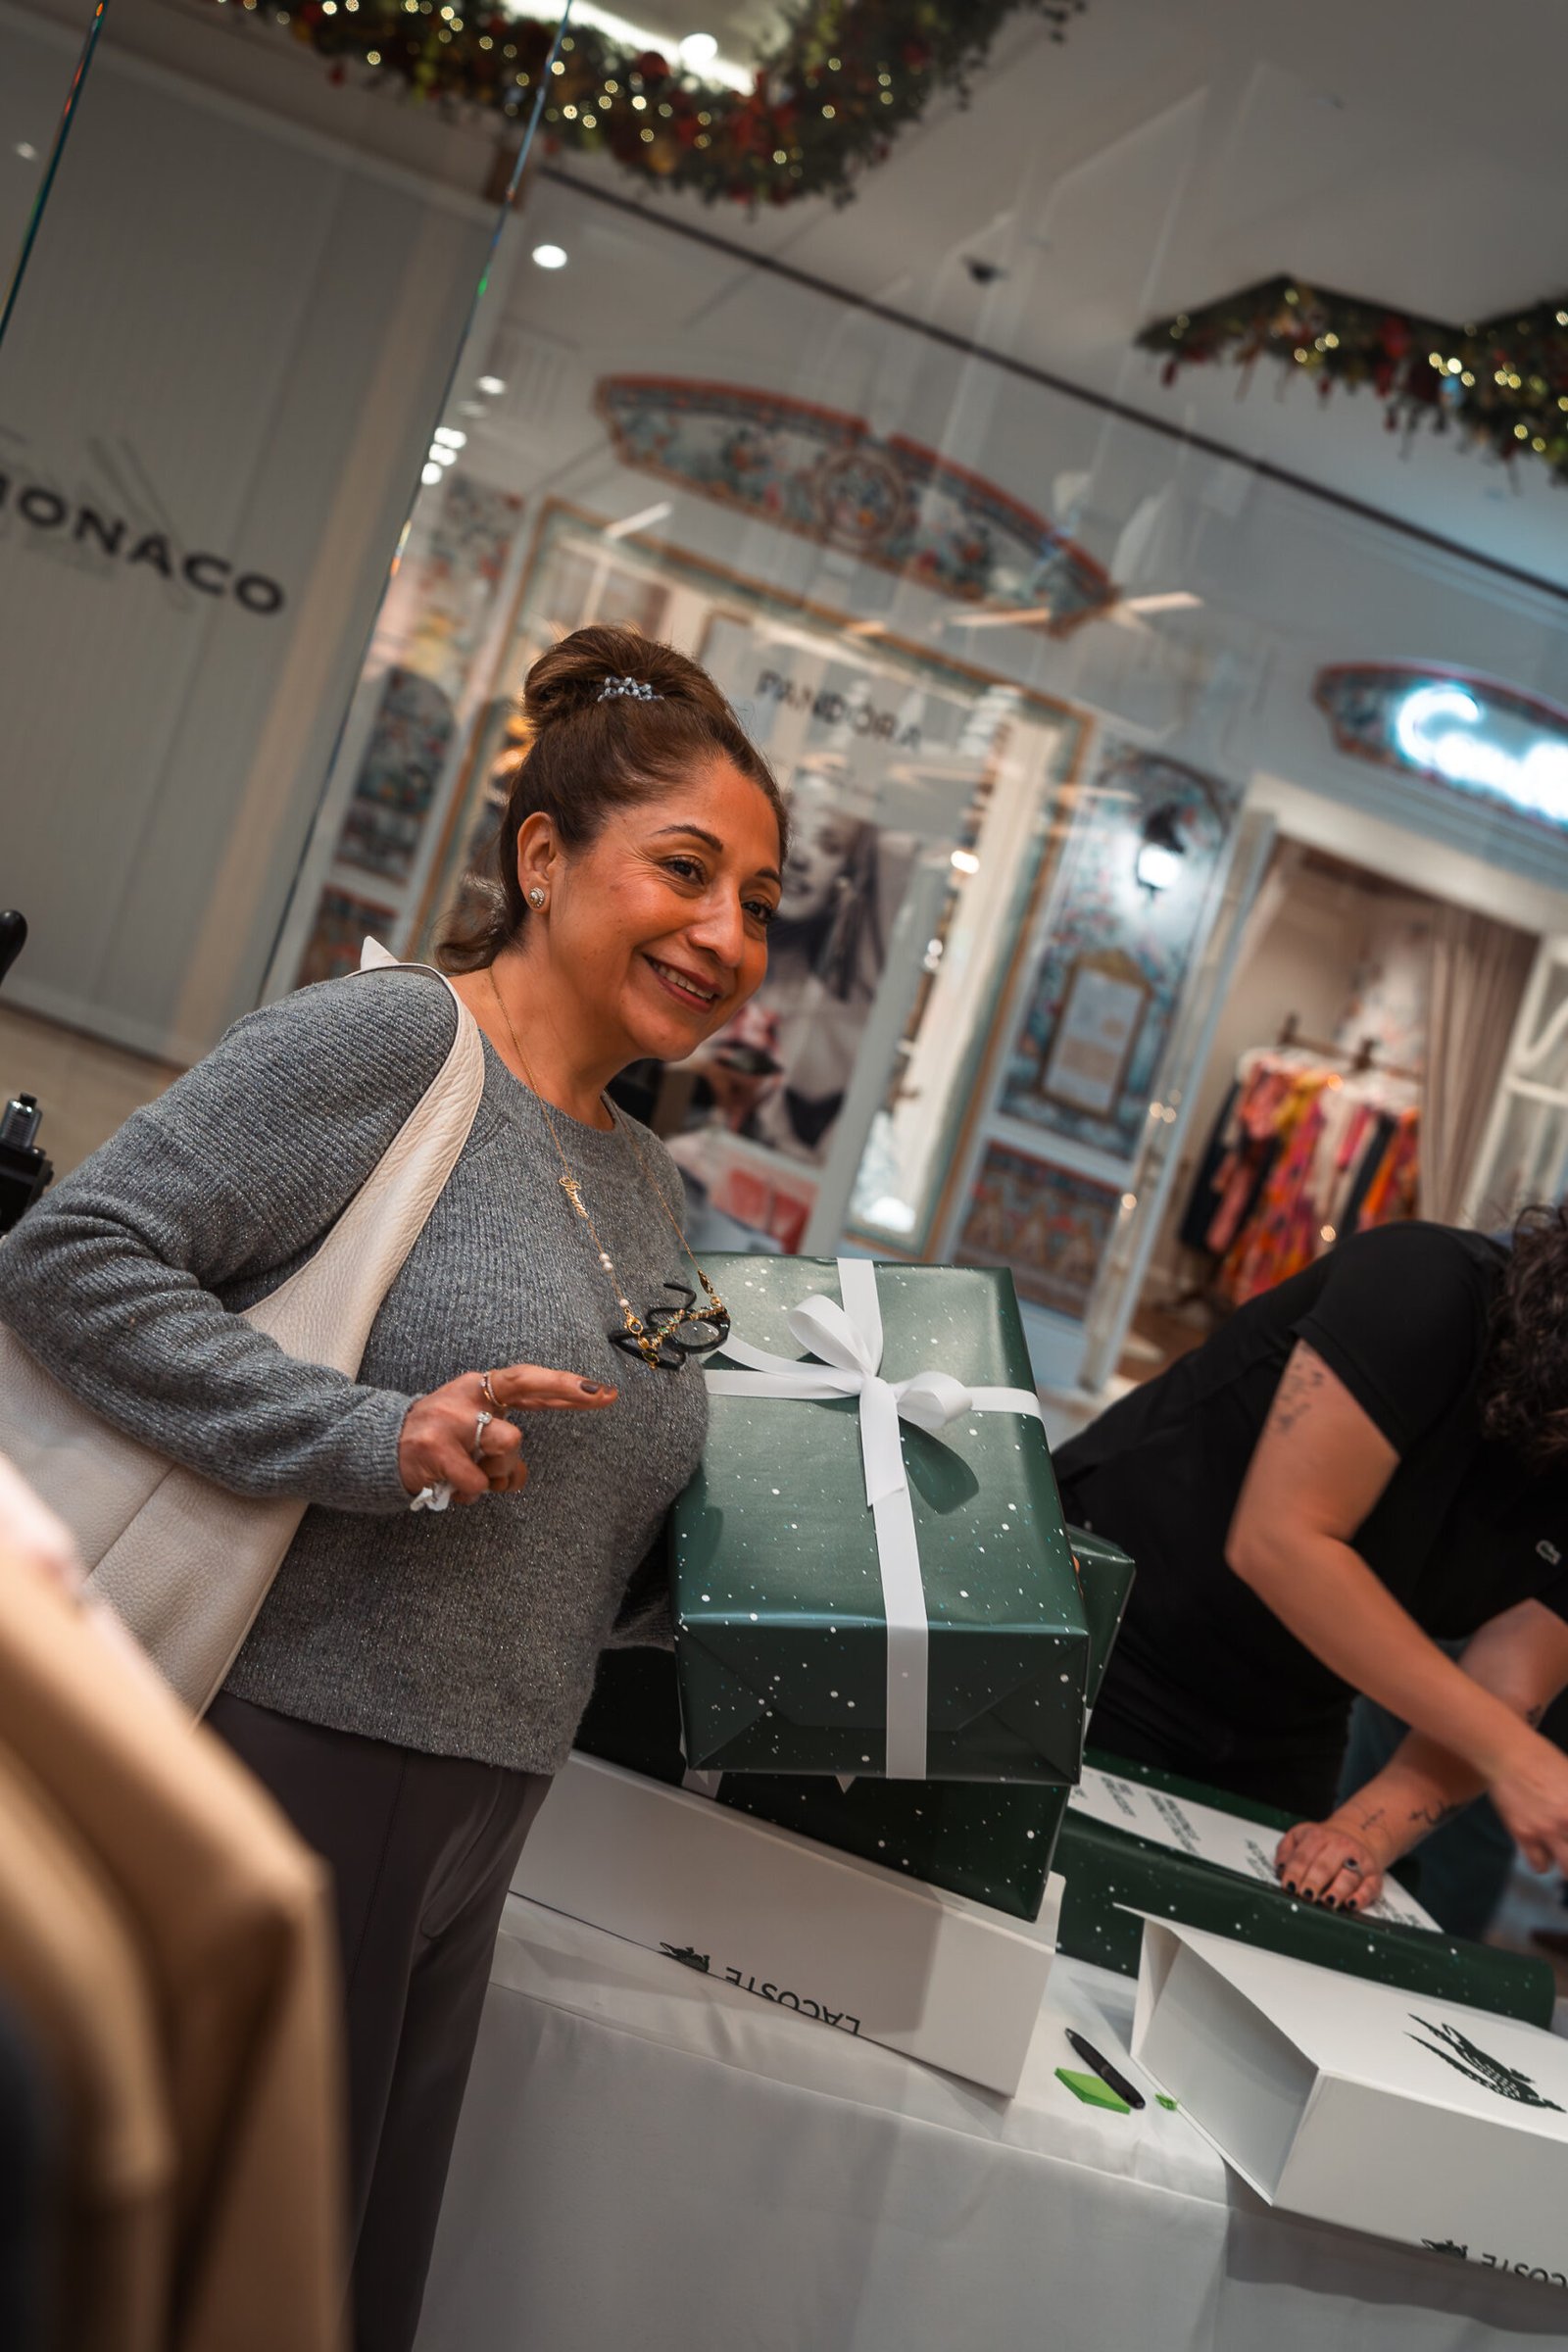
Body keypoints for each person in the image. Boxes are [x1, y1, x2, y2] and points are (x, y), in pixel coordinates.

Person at [0, 622, 787, 2350]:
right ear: (541, 857)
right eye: (685, 872)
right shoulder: (394, 1043)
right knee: (229, 2289)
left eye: (759, 901)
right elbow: (72, 1258)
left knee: (331, 2282)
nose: (728, 935)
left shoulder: (644, 1178)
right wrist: (370, 1436)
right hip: (302, 1750)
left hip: (487, 1804)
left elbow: (577, 1502)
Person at [1054, 1212, 1568, 1918]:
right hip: (1108, 1628)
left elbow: (1505, 1691)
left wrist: (1362, 1833)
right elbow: (1280, 1542)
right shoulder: (1427, 1284)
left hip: (1288, 1719)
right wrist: (1515, 1755)